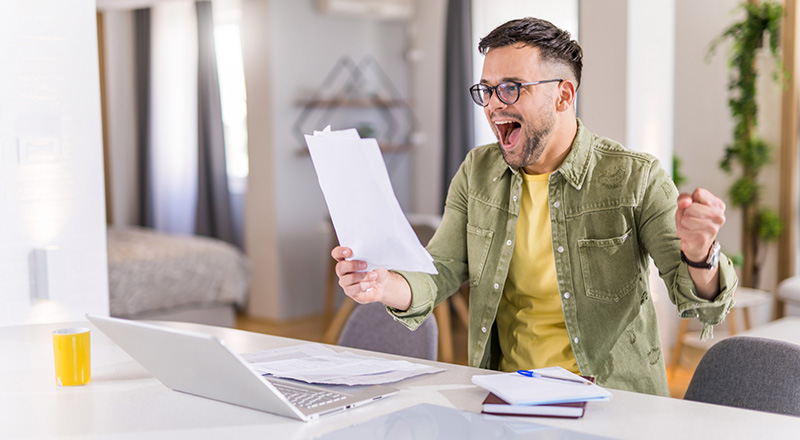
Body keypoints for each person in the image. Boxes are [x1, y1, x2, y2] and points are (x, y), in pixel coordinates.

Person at [331, 17, 738, 396]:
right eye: (486, 90)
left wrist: (700, 254)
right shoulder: (477, 171)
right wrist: (384, 284)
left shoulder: (635, 177)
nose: (493, 104)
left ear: (563, 94)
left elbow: (702, 302)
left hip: (611, 400)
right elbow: (439, 271)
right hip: (505, 395)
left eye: (511, 87)